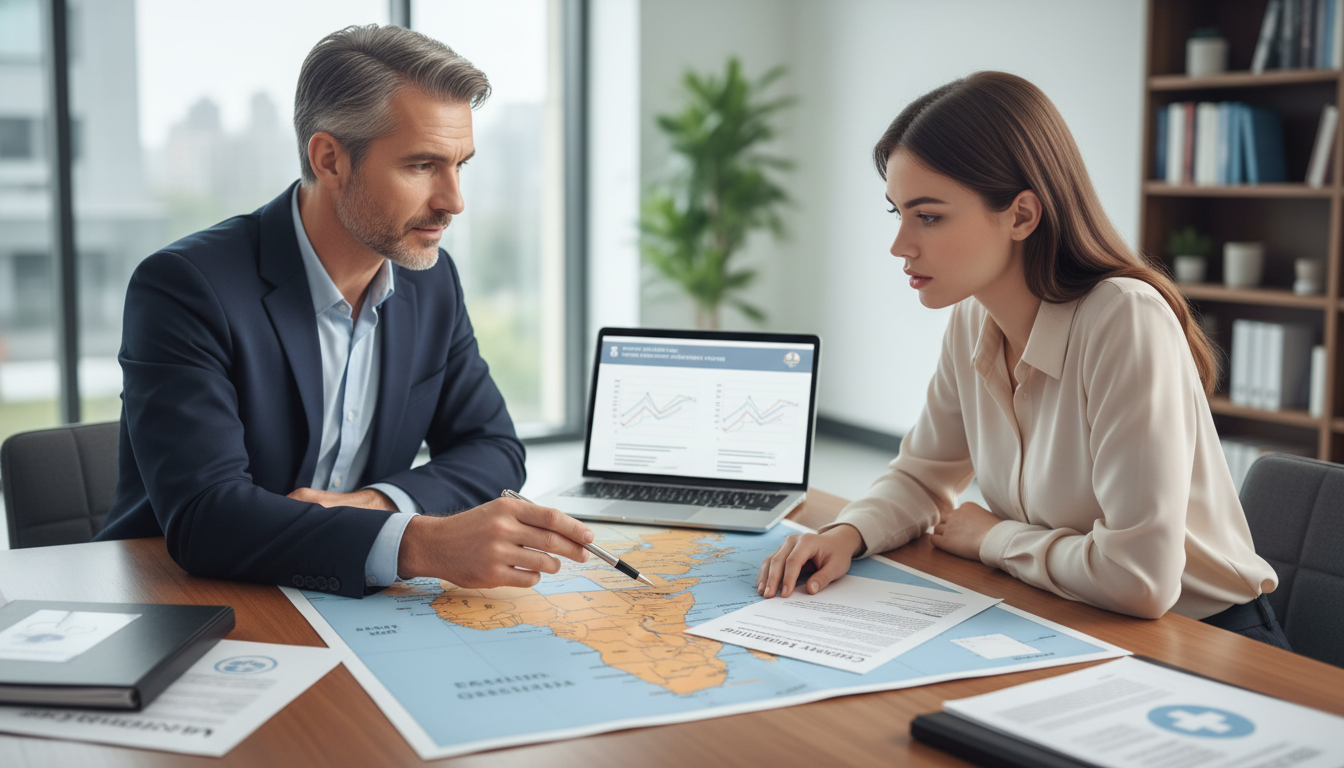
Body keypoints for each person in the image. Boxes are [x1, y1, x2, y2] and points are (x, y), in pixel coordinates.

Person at [757, 72, 1289, 649]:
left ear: (1020, 215)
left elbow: (1141, 580)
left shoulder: (1124, 319)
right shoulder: (971, 320)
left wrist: (993, 537)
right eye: (898, 213)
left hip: (1205, 641)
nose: (900, 245)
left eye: (929, 216)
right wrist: (847, 533)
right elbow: (923, 476)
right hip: (1068, 615)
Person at [96, 25, 594, 598]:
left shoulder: (431, 283)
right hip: (185, 598)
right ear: (330, 159)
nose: (454, 201)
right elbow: (207, 517)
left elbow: (494, 449)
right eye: (422, 165)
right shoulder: (186, 288)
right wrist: (416, 542)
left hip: (341, 598)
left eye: (461, 165)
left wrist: (377, 506)